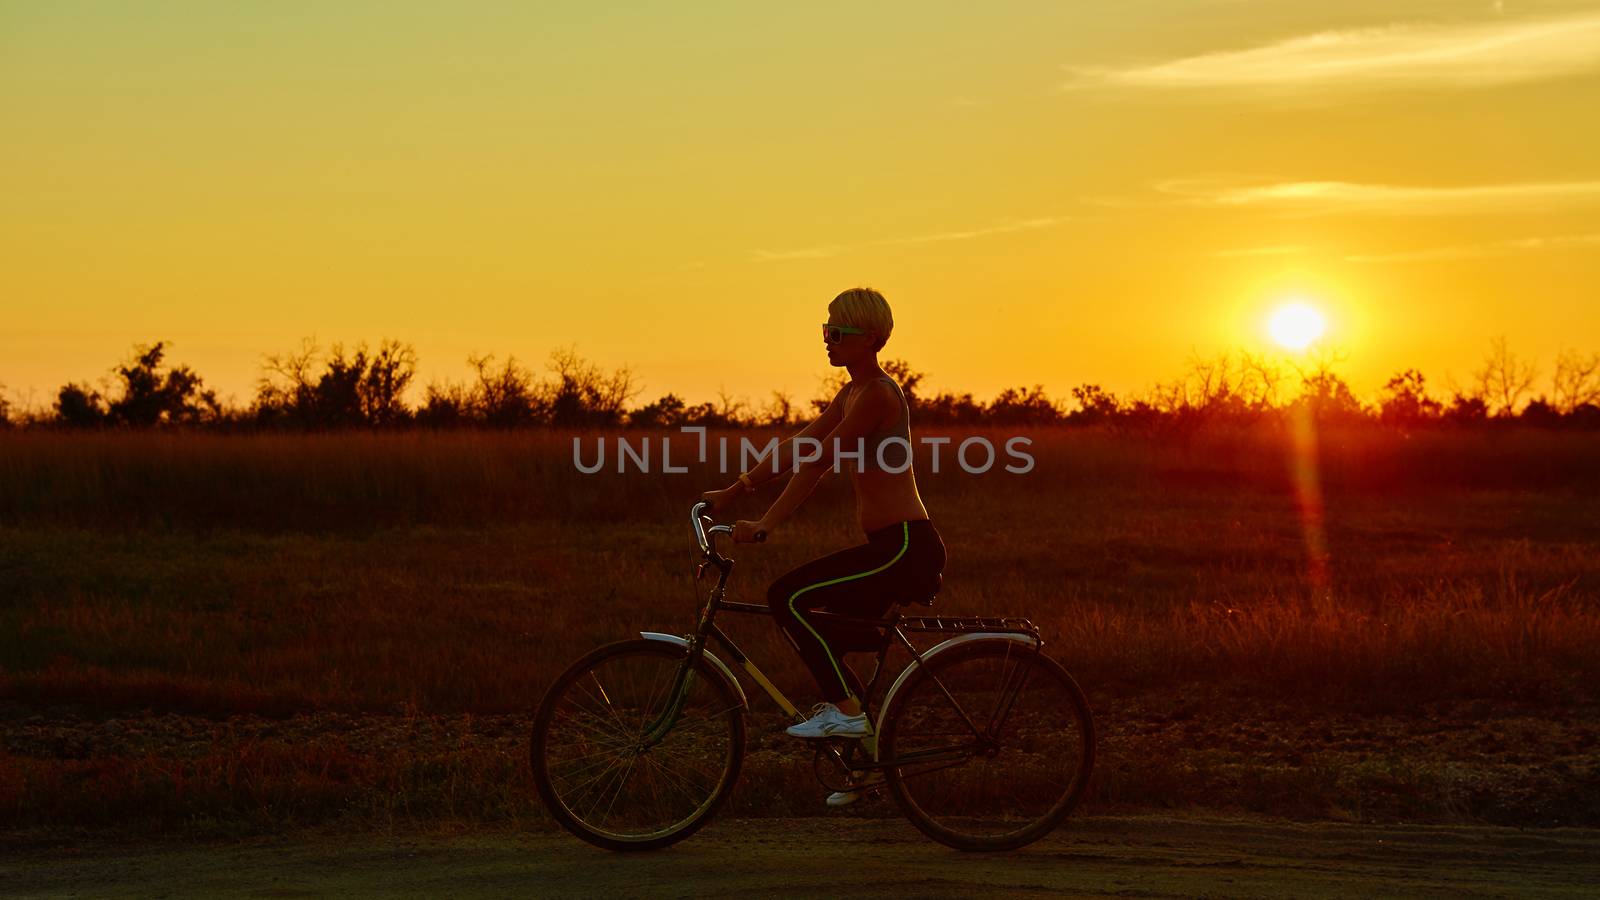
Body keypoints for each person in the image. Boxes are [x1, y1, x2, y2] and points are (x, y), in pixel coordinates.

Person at [699, 287, 947, 761]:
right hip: (890, 545)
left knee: (787, 597)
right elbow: (800, 443)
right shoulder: (851, 392)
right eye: (824, 330)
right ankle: (868, 758)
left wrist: (767, 522)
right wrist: (736, 489)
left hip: (905, 547)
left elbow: (817, 461)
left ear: (871, 338)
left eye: (837, 332)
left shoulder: (877, 394)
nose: (827, 339)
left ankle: (849, 716)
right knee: (821, 628)